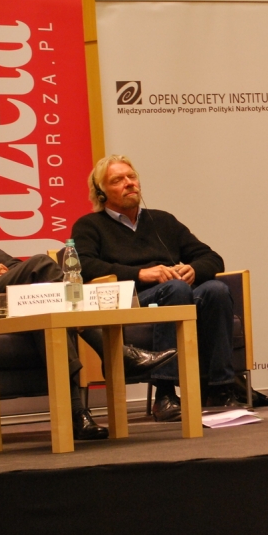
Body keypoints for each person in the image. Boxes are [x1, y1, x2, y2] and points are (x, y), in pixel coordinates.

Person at [71, 155, 243, 422]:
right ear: (101, 193)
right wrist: (140, 274)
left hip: (175, 291)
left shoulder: (163, 220)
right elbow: (84, 266)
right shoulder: (89, 226)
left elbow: (211, 257)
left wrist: (194, 269)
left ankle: (220, 389)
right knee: (175, 289)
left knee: (215, 290)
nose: (129, 183)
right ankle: (165, 393)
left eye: (132, 177)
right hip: (130, 299)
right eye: (118, 180)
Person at [0, 227, 175, 439]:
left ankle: (77, 415)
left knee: (49, 310)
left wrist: (2, 274)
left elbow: (16, 267)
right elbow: (30, 269)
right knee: (41, 264)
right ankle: (116, 352)